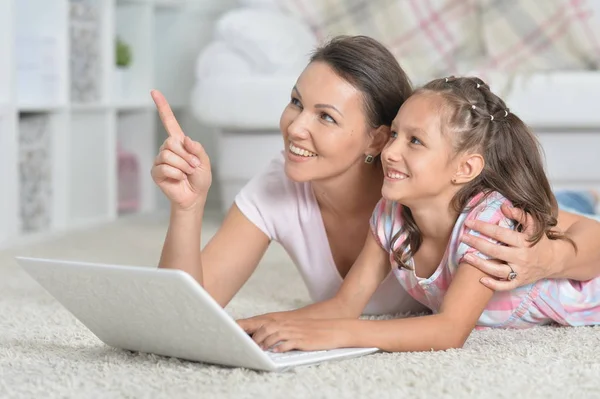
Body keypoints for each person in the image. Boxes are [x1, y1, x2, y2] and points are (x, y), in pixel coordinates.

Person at [150, 35, 600, 318]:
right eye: (295, 102)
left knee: (562, 214)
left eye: (325, 117)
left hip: (553, 223)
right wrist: (187, 208)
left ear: (374, 140)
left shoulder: (428, 187)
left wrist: (549, 260)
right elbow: (181, 315)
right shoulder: (276, 186)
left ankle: (581, 197)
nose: (295, 127)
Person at [237, 76, 600, 354]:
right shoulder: (390, 214)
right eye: (394, 134)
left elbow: (449, 330)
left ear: (464, 168)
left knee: (556, 214)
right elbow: (345, 304)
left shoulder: (487, 223)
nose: (390, 151)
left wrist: (338, 334)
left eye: (414, 141)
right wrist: (260, 326)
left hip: (589, 290)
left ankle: (586, 199)